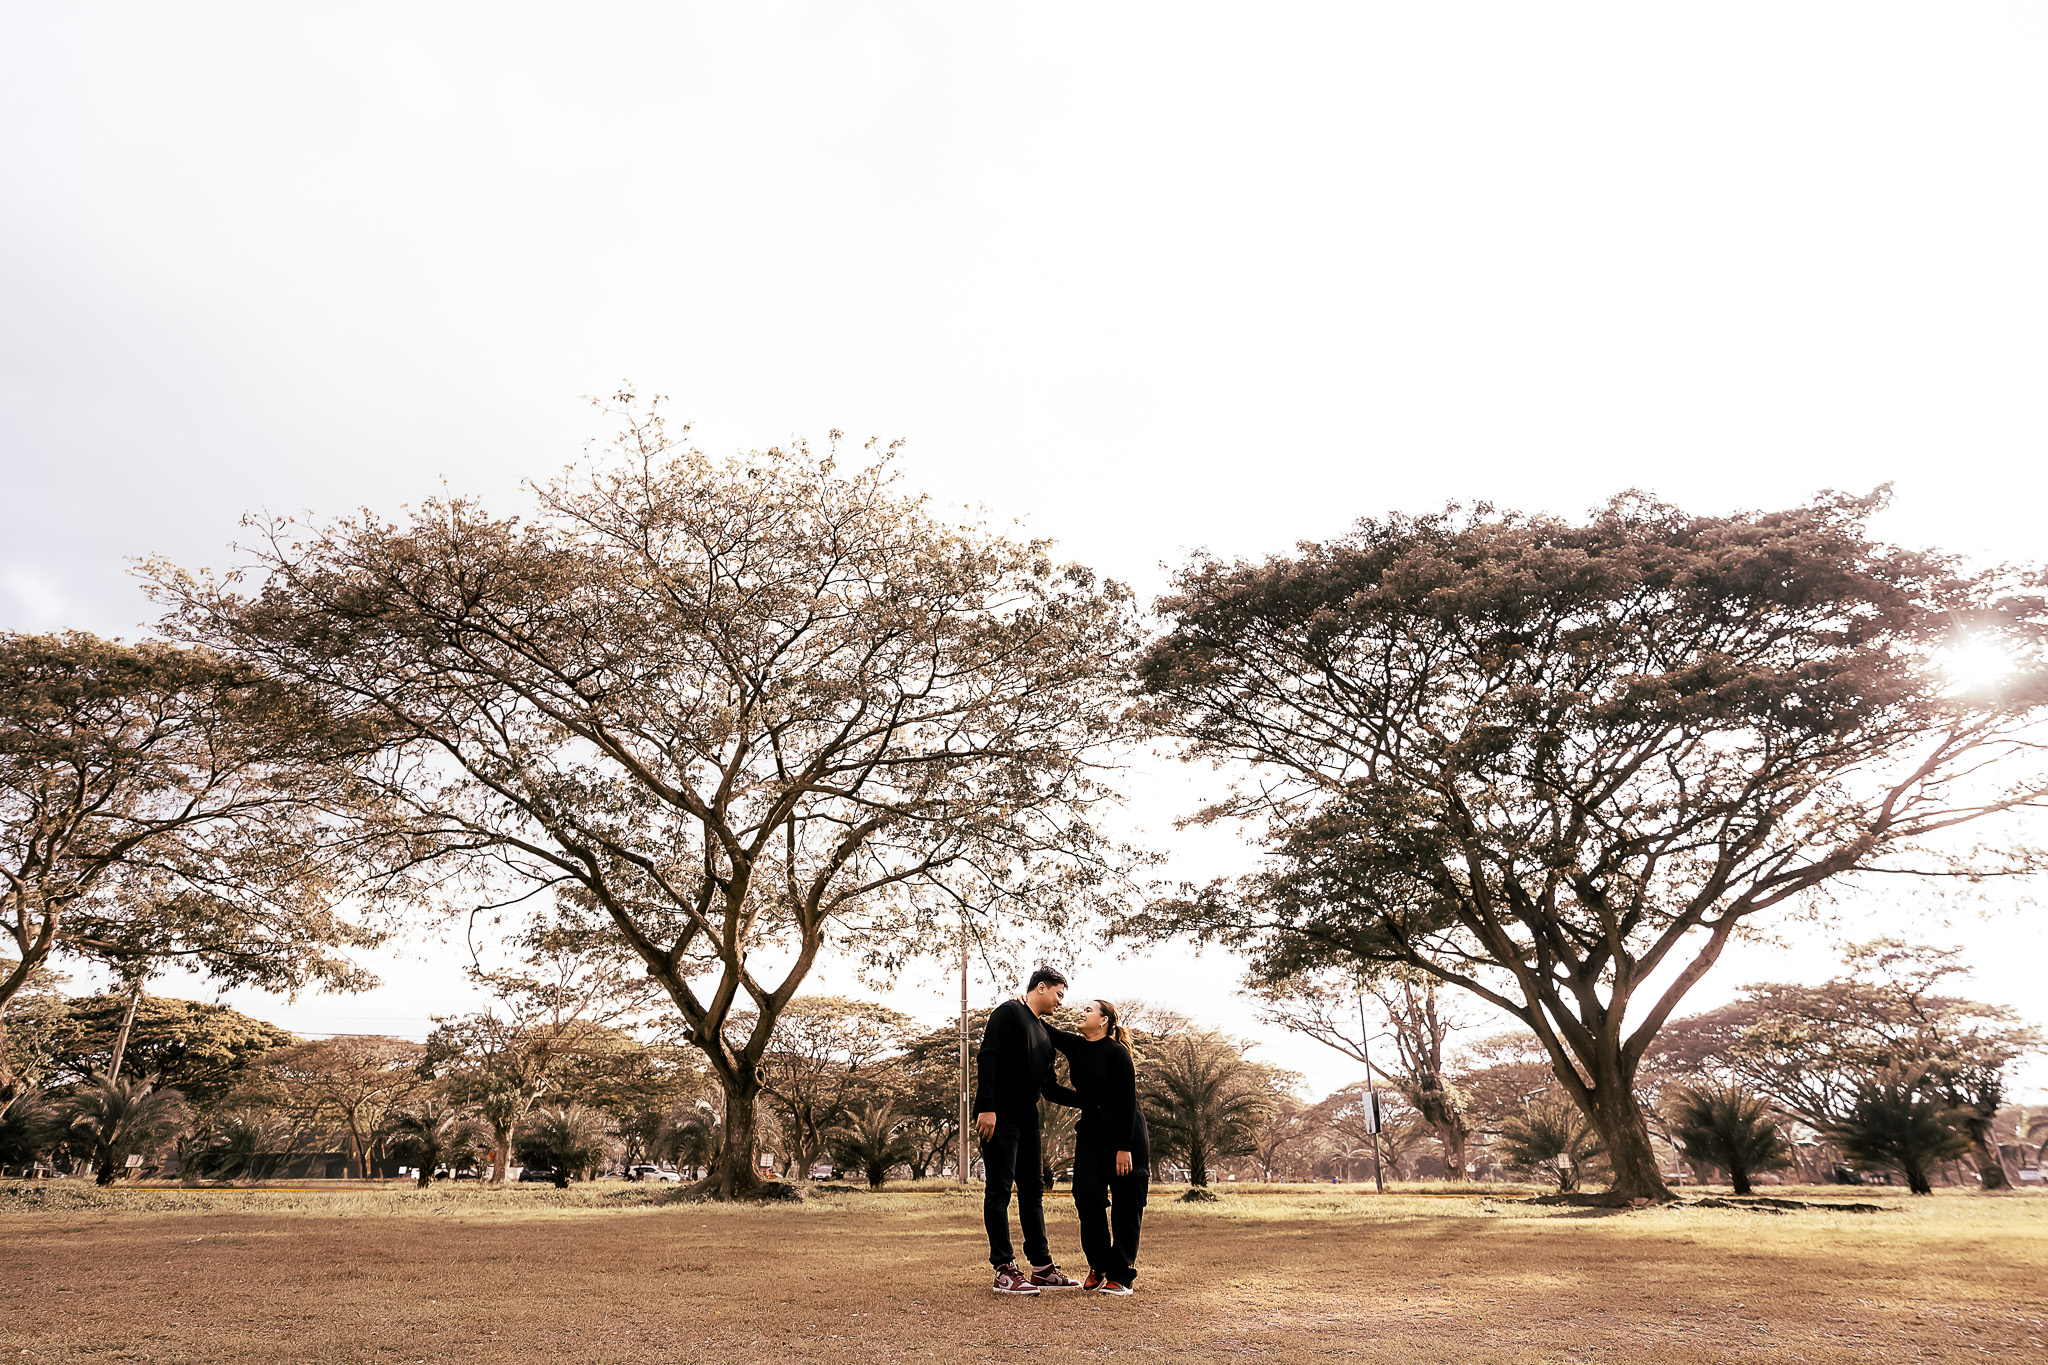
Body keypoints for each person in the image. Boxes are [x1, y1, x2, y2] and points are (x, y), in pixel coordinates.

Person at [973, 966, 1084, 1295]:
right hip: (999, 1114)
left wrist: (1089, 1101)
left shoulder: (1045, 1035)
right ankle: (1003, 1269)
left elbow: (1049, 1089)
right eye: (1058, 994)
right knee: (999, 1191)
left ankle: (1042, 1267)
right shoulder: (1008, 1013)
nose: (1060, 1002)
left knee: (1032, 1192)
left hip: (1027, 1117)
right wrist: (986, 1107)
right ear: (1040, 987)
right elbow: (987, 1056)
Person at [1045, 998, 1149, 1295]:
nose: (1083, 1012)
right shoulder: (1077, 1046)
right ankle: (1100, 1264)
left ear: (1103, 1020)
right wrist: (1024, 1005)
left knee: (1127, 1205)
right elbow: (1046, 1030)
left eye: (1089, 1009)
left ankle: (1121, 1275)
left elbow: (1128, 1101)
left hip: (1125, 1135)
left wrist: (1124, 1147)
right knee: (1086, 1195)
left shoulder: (1118, 1054)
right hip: (1091, 1131)